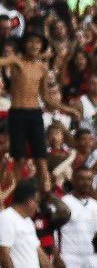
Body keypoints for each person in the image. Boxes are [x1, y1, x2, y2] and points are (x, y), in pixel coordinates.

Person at [0, 34, 55, 192]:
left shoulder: (42, 68)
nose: (34, 45)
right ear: (24, 45)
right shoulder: (17, 61)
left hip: (35, 114)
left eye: (38, 42)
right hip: (17, 113)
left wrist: (66, 109)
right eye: (31, 42)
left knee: (41, 159)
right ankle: (19, 194)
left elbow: (45, 96)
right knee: (19, 158)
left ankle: (46, 195)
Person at [0, 180, 54, 268]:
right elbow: (3, 254)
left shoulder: (28, 221)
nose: (37, 207)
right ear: (29, 201)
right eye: (37, 202)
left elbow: (40, 254)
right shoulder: (6, 218)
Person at [55, 167, 97, 268]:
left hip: (90, 262)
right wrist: (57, 258)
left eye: (89, 179)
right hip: (68, 261)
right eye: (82, 179)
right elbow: (55, 233)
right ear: (74, 180)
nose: (86, 183)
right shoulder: (64, 202)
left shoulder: (95, 205)